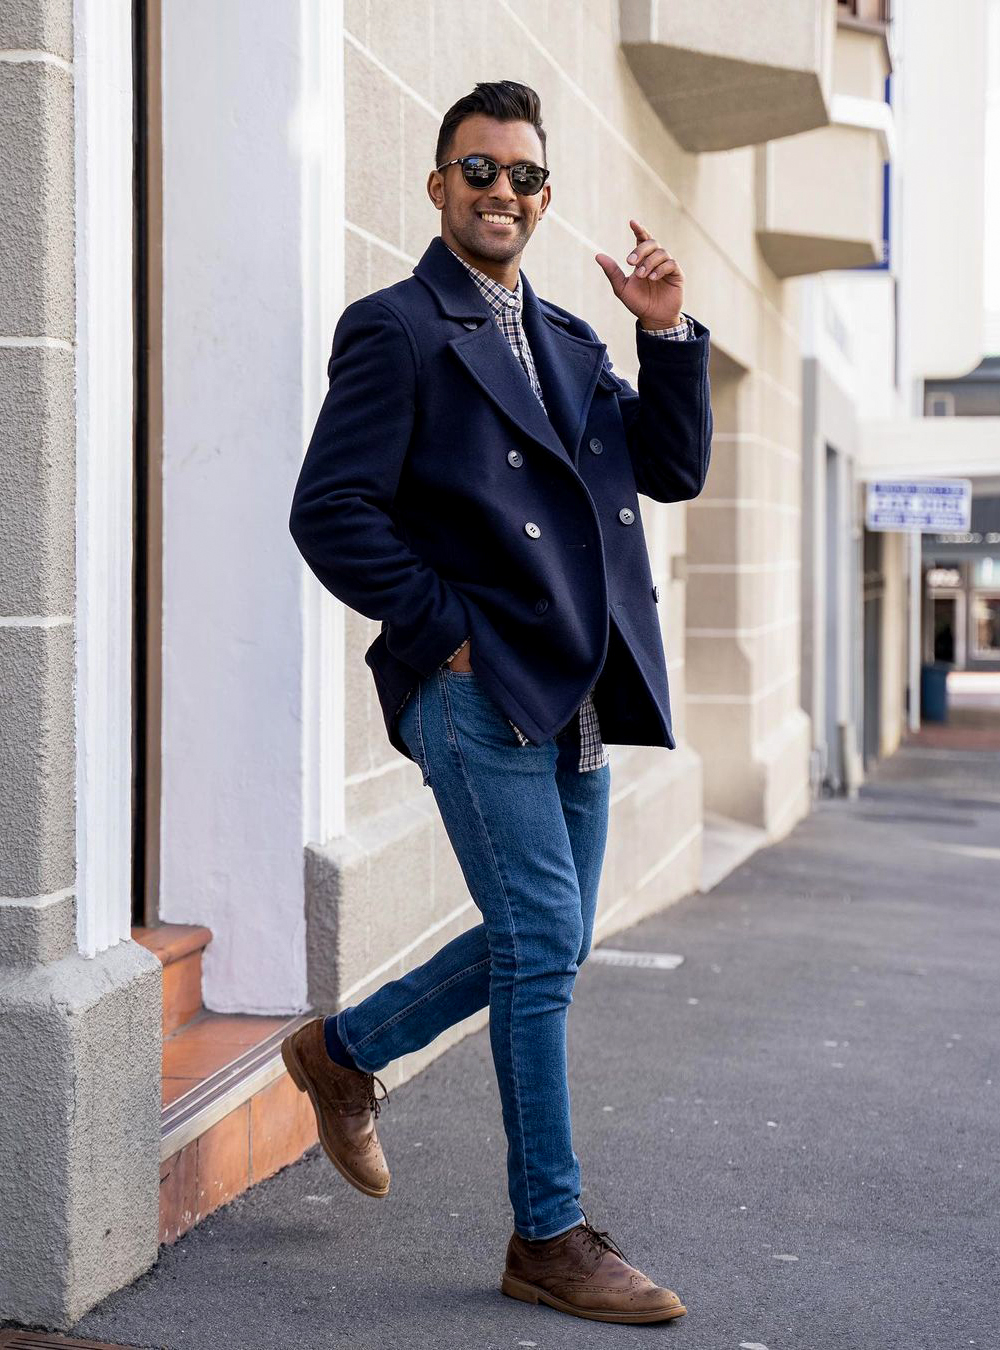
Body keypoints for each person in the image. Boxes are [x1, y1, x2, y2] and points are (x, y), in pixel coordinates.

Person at [283, 80, 712, 1325]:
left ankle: (340, 1052)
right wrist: (445, 637)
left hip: (574, 686)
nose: (503, 194)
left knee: (548, 941)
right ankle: (549, 1233)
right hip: (475, 689)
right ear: (436, 185)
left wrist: (667, 333)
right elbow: (330, 510)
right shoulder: (397, 327)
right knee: (540, 947)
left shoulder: (575, 339)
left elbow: (671, 469)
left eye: (526, 177)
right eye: (480, 171)